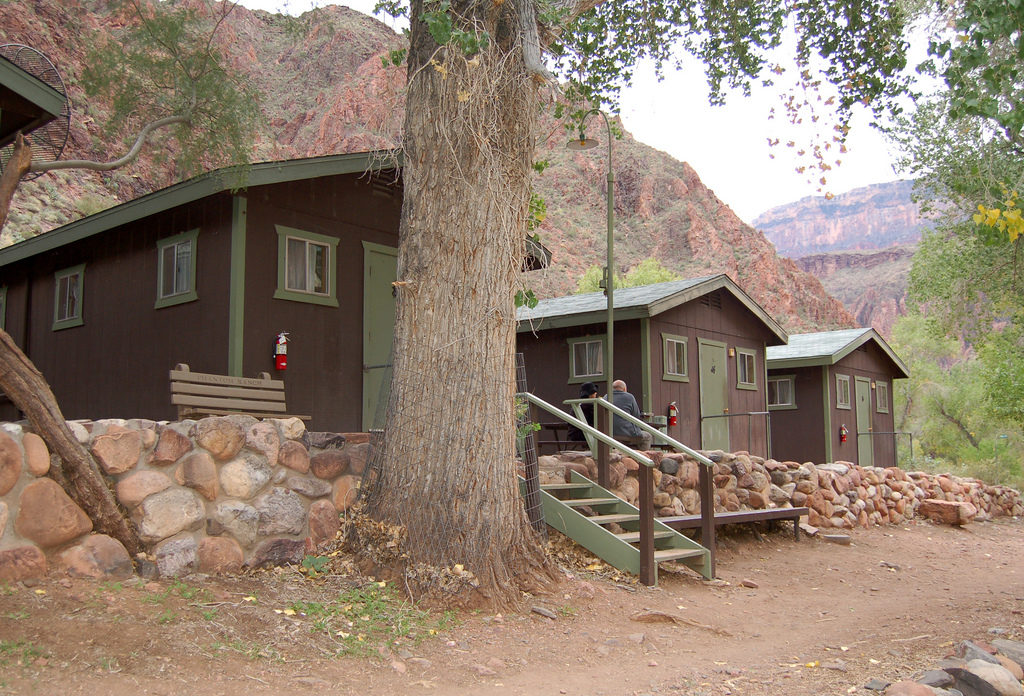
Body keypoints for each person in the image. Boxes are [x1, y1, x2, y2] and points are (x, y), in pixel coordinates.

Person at [611, 379, 653, 451]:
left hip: (609, 432)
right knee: (647, 436)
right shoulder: (629, 397)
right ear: (624, 389)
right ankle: (642, 459)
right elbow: (636, 416)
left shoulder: (606, 397)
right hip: (626, 433)